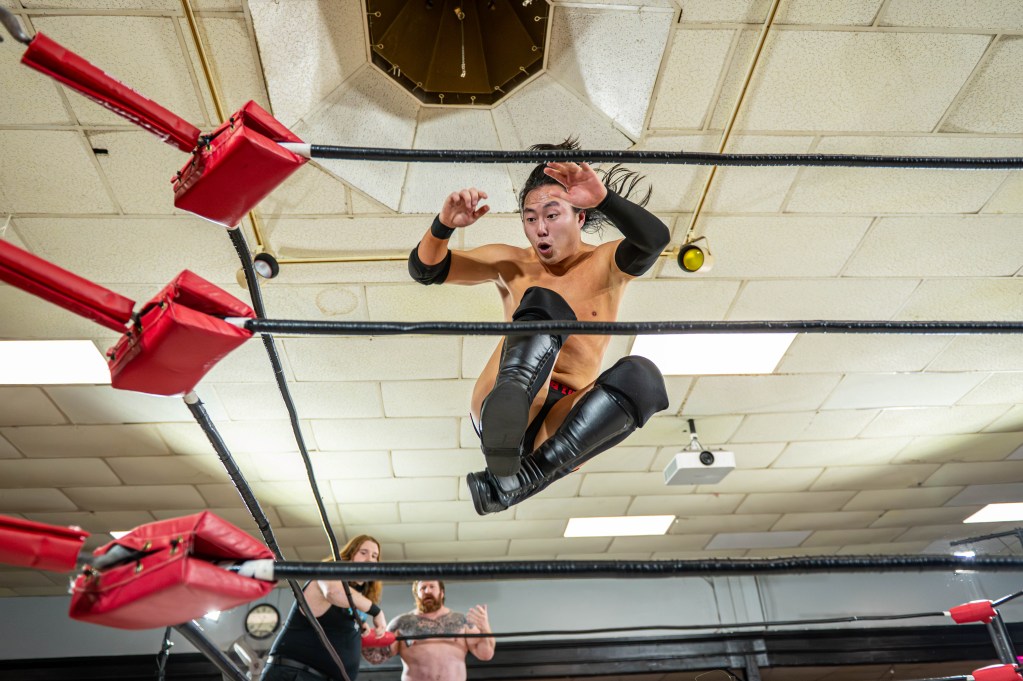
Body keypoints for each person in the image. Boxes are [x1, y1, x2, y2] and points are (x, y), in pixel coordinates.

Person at [407, 139, 671, 515]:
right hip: (509, 400)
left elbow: (654, 240)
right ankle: (509, 455)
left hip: (568, 422)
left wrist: (605, 199)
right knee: (543, 302)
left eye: (552, 215)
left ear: (580, 217)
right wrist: (443, 225)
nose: (540, 229)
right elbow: (426, 270)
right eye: (530, 219)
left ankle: (516, 482)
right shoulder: (510, 262)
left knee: (643, 376)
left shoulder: (607, 262)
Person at [263, 535, 387, 681]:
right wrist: (376, 611)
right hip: (296, 673)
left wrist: (358, 628)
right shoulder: (325, 573)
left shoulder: (354, 601)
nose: (370, 560)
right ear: (348, 556)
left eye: (374, 556)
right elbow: (333, 592)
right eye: (363, 552)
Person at [362, 579, 494, 681]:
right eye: (423, 588)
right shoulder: (401, 623)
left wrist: (485, 627)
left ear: (441, 593)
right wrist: (363, 636)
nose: (427, 591)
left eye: (432, 587)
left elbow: (485, 654)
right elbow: (377, 657)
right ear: (416, 595)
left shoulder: (461, 622)